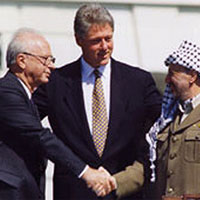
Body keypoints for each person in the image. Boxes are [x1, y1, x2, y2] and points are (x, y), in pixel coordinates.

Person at [33, 3, 161, 200]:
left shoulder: (139, 82)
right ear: (79, 40)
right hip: (74, 193)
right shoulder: (55, 83)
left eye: (108, 39)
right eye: (96, 41)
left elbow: (166, 124)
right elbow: (24, 122)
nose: (104, 47)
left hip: (125, 193)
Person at [0, 28, 112, 200]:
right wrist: (86, 172)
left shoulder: (25, 95)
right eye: (45, 59)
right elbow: (40, 136)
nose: (51, 65)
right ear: (22, 60)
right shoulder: (6, 92)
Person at [145, 40, 200, 199]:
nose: (167, 80)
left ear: (192, 76)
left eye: (172, 74)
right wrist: (115, 182)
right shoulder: (168, 117)